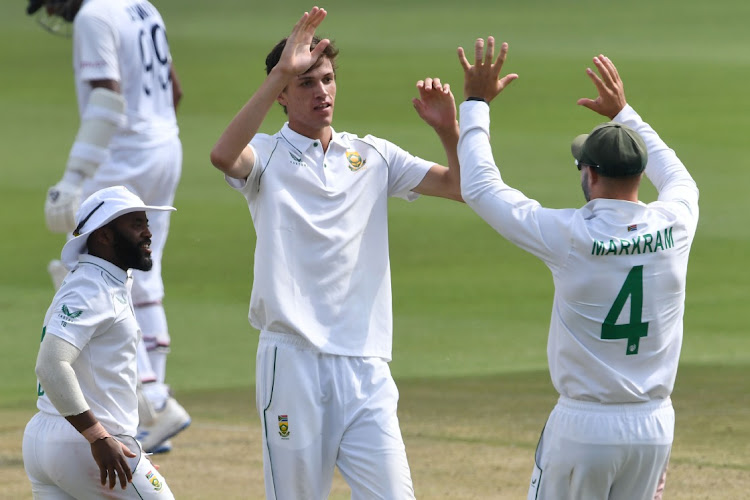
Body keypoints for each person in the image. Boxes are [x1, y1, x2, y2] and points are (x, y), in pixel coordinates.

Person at [209, 6, 462, 499]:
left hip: (366, 364)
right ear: (281, 94)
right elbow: (223, 156)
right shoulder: (264, 155)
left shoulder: (372, 155)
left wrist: (450, 133)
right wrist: (282, 67)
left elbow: (460, 186)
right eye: (305, 83)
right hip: (293, 360)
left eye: (326, 79)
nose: (321, 91)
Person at [450, 38, 698, 499]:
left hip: (585, 427)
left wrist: (475, 104)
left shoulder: (571, 237)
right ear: (639, 176)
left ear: (591, 174)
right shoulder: (677, 222)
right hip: (654, 425)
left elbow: (482, 188)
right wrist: (625, 114)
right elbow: (679, 175)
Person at [25, 0, 190, 453]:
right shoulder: (142, 6)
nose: (55, 11)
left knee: (89, 272)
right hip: (164, 147)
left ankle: (153, 402)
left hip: (122, 157)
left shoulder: (94, 15)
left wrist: (74, 178)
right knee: (145, 276)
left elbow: (107, 98)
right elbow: (174, 91)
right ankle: (155, 405)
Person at [22, 186, 176, 499]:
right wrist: (99, 437)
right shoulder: (93, 288)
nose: (148, 233)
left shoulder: (95, 280)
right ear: (104, 236)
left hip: (47, 440)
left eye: (146, 223)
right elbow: (50, 364)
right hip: (85, 442)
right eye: (136, 225)